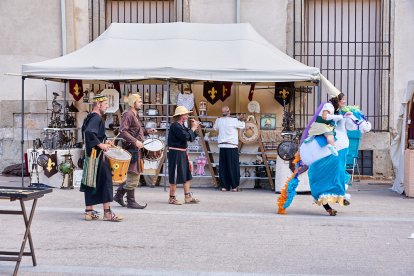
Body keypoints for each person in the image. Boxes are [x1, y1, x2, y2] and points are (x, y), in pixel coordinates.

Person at [80, 94, 122, 222]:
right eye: (105, 104)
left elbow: (89, 133)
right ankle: (107, 213)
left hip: (90, 156)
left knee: (90, 182)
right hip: (97, 156)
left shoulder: (89, 117)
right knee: (106, 182)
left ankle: (89, 212)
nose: (107, 106)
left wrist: (104, 141)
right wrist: (101, 144)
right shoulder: (97, 118)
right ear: (98, 104)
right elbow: (89, 132)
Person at [114, 93, 156, 209]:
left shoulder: (134, 114)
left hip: (136, 148)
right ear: (133, 103)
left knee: (133, 174)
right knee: (134, 174)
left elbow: (136, 130)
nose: (141, 103)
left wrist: (147, 132)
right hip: (132, 149)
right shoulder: (128, 114)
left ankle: (119, 196)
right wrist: (135, 141)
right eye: (139, 101)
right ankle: (130, 201)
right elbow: (123, 131)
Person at [167, 106, 200, 205]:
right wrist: (193, 128)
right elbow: (185, 136)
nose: (187, 115)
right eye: (186, 114)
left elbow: (191, 138)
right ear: (181, 116)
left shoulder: (182, 126)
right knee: (175, 174)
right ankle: (172, 198)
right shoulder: (175, 126)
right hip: (175, 153)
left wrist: (195, 128)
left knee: (186, 173)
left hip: (182, 152)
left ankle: (187, 197)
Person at [213, 106, 245, 192]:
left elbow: (215, 128)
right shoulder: (234, 120)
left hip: (222, 146)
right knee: (233, 166)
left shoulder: (218, 120)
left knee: (223, 167)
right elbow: (243, 126)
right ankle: (234, 186)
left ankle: (224, 186)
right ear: (229, 112)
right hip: (231, 146)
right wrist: (241, 118)